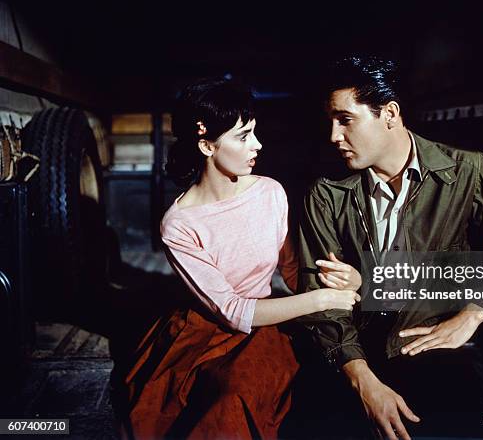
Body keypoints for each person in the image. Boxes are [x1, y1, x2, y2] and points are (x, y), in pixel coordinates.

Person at [297, 56, 483, 439]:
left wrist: (474, 312)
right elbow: (319, 298)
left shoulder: (466, 172)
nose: (334, 135)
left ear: (390, 114)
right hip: (354, 358)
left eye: (345, 120)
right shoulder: (326, 192)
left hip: (438, 359)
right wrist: (361, 379)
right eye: (331, 122)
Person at [118, 77, 361, 439]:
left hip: (265, 321)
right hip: (201, 329)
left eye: (254, 132)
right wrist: (320, 299)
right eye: (243, 136)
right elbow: (231, 310)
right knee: (175, 411)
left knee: (245, 395)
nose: (257, 145)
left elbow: (292, 268)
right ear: (206, 145)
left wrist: (340, 287)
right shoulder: (179, 222)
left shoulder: (270, 192)